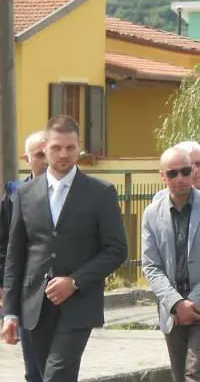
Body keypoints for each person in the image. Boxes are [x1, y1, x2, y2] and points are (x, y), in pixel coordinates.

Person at [2, 115, 128, 381]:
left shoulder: (100, 193)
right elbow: (16, 255)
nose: (64, 154)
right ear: (45, 147)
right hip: (35, 305)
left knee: (57, 375)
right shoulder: (25, 194)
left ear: (79, 147)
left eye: (70, 148)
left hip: (79, 305)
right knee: (42, 374)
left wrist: (75, 281)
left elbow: (116, 249)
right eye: (57, 147)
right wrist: (10, 312)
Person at [141, 147, 200, 382]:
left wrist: (194, 302)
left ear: (193, 172)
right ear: (162, 176)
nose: (180, 178)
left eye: (185, 171)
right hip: (173, 311)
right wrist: (176, 303)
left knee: (196, 373)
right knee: (182, 375)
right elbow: (151, 266)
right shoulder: (152, 213)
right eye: (172, 173)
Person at [0, 131, 47, 382]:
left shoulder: (68, 195)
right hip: (27, 292)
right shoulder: (13, 196)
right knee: (34, 368)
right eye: (39, 155)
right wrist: (4, 288)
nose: (46, 160)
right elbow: (4, 247)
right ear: (27, 159)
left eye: (46, 153)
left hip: (60, 292)